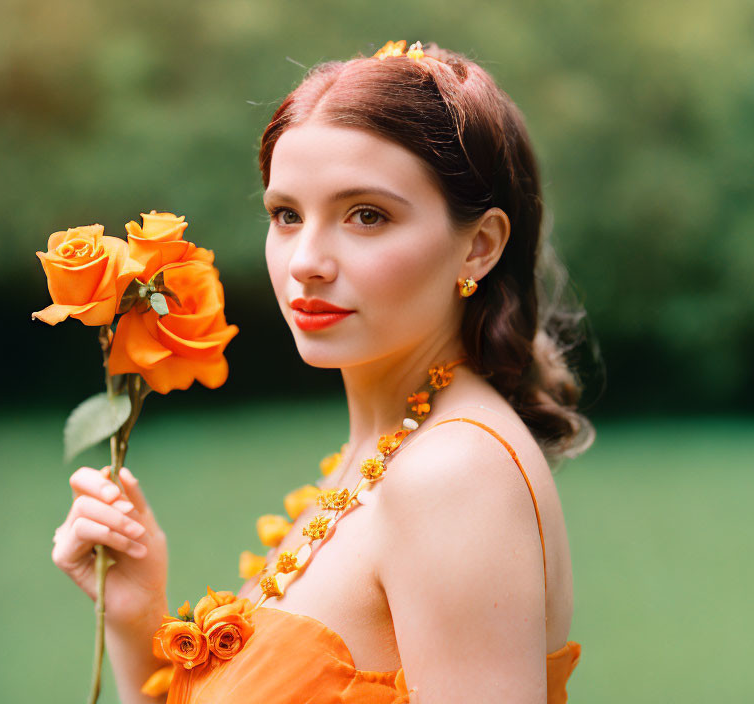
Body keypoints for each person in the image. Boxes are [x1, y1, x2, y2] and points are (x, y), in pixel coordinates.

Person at [51, 40, 596, 704]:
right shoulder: (389, 448)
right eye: (287, 215)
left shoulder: (453, 474)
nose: (307, 258)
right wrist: (138, 618)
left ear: (478, 247)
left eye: (366, 216)